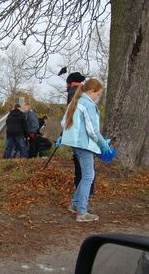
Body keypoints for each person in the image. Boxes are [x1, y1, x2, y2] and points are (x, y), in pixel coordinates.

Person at [61, 78, 110, 222]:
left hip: (75, 143)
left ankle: (75, 205)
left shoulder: (74, 102)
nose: (98, 98)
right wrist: (103, 144)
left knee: (86, 175)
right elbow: (93, 131)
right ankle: (82, 213)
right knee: (89, 176)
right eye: (98, 94)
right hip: (84, 145)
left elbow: (63, 122)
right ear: (91, 91)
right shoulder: (88, 104)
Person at [65, 72, 96, 197]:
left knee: (83, 168)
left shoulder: (74, 92)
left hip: (80, 137)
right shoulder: (81, 92)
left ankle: (83, 193)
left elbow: (72, 115)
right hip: (81, 136)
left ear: (70, 82)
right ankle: (84, 193)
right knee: (86, 167)